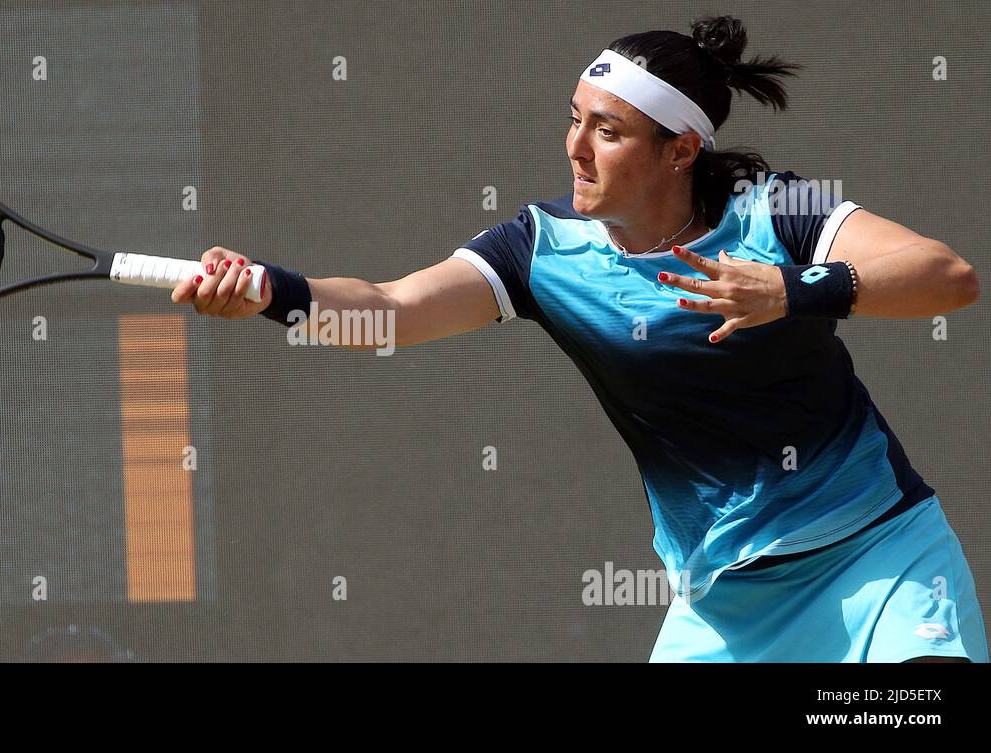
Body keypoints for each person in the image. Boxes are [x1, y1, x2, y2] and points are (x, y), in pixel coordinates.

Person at [170, 16, 986, 663]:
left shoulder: (773, 214)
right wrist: (273, 294)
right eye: (573, 121)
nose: (575, 147)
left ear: (680, 150)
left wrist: (791, 288)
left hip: (878, 556)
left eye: (608, 130)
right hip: (723, 602)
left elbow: (946, 275)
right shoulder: (542, 250)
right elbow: (392, 309)